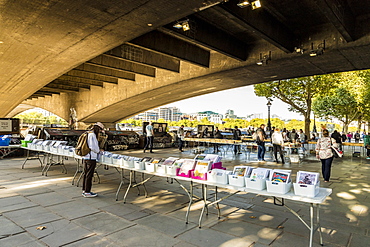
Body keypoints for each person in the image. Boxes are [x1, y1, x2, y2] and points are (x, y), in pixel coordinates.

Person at [82, 122, 105, 197]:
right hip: (91, 158)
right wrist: (99, 151)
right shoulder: (92, 135)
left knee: (86, 174)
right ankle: (87, 192)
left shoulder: (88, 133)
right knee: (89, 175)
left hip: (86, 156)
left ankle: (84, 190)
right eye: (100, 130)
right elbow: (93, 147)